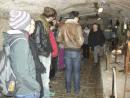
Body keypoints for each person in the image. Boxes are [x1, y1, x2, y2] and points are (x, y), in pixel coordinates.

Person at [3, 10, 40, 98]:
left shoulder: (12, 38)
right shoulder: (21, 42)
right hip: (26, 89)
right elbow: (22, 72)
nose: (34, 28)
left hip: (20, 86)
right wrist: (36, 86)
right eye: (32, 24)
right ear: (25, 25)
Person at [58, 11, 84, 95]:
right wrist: (79, 42)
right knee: (76, 72)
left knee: (68, 71)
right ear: (75, 18)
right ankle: (76, 91)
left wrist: (65, 43)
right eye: (78, 18)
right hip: (76, 52)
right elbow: (80, 42)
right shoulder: (77, 26)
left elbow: (58, 39)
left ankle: (68, 90)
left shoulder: (63, 26)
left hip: (66, 51)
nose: (78, 19)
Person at [37, 7, 57, 98]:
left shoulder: (44, 23)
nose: (53, 19)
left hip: (46, 53)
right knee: (44, 76)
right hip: (43, 54)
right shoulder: (39, 23)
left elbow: (45, 39)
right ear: (51, 16)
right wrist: (45, 52)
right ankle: (45, 94)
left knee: (46, 75)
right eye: (53, 17)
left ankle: (46, 92)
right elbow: (37, 41)